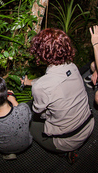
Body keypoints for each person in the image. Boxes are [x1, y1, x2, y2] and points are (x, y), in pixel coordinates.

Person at [22, 28, 94, 164]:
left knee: (28, 121)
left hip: (67, 140)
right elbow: (51, 81)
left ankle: (64, 152)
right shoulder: (72, 66)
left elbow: (40, 114)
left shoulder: (41, 87)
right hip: (89, 124)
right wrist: (30, 82)